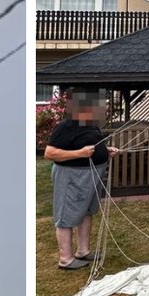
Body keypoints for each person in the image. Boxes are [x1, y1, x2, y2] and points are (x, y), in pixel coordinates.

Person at [43, 89, 120, 270]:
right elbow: (49, 153)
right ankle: (65, 259)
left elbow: (92, 146)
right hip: (71, 176)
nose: (103, 108)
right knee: (66, 215)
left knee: (86, 211)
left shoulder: (91, 125)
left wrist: (106, 150)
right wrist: (79, 153)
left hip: (91, 175)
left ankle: (83, 251)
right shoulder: (66, 126)